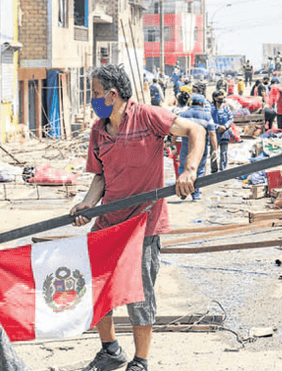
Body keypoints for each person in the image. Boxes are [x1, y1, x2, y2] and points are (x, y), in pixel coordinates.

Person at [70, 64, 205, 371]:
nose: (92, 99)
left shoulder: (148, 116)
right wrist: (86, 205)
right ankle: (111, 350)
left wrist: (190, 170)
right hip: (107, 223)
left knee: (139, 294)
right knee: (98, 288)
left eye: (95, 93)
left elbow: (196, 130)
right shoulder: (98, 129)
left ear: (112, 94)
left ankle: (140, 361)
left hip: (143, 223)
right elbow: (100, 178)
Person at [175, 93, 218, 200]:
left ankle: (183, 191)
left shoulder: (183, 115)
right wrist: (215, 149)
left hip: (185, 147)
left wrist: (172, 143)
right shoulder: (207, 116)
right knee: (199, 170)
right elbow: (212, 134)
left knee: (183, 167)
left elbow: (175, 131)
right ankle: (195, 194)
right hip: (201, 149)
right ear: (203, 104)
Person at [210, 90, 233, 173]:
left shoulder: (226, 107)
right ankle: (214, 169)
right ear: (215, 98)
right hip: (214, 133)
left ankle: (223, 169)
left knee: (224, 152)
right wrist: (217, 127)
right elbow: (209, 120)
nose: (221, 99)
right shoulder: (211, 108)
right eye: (219, 97)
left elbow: (231, 118)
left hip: (225, 132)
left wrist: (225, 126)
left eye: (222, 97)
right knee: (213, 152)